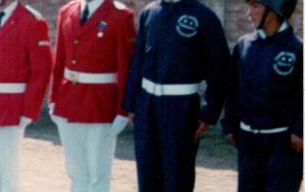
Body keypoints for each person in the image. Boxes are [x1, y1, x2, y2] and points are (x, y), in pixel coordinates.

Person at [121, 0, 231, 191]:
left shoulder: (203, 16)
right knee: (147, 173)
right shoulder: (150, 12)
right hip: (148, 105)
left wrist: (209, 112)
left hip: (180, 107)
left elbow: (219, 68)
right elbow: (138, 59)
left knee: (177, 175)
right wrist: (131, 101)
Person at [50, 0, 136, 191]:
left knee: (98, 174)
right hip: (68, 101)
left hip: (100, 104)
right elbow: (60, 59)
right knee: (75, 171)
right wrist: (53, 98)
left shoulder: (120, 15)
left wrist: (122, 110)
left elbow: (126, 67)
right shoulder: (68, 10)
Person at [0, 0, 50, 191]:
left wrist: (28, 110)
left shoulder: (31, 20)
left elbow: (42, 69)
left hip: (11, 106)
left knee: (8, 168)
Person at [222, 0, 303, 191]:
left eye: (255, 7)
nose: (249, 14)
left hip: (282, 144)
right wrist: (230, 124)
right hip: (249, 143)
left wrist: (299, 130)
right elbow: (233, 89)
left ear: (274, 13)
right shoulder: (244, 45)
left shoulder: (296, 49)